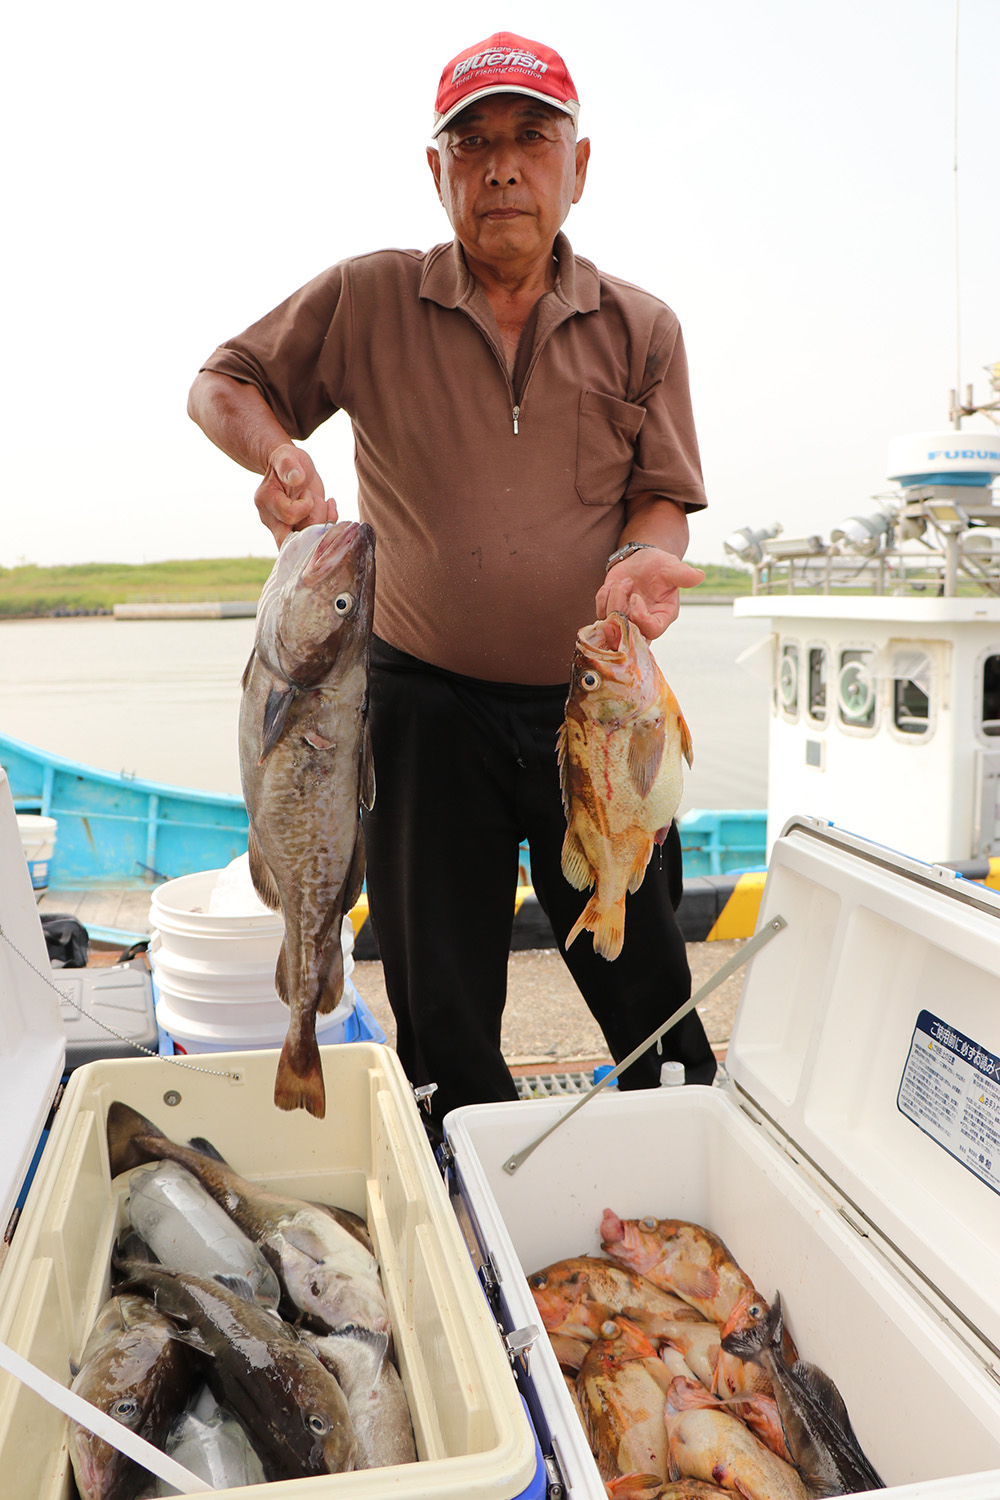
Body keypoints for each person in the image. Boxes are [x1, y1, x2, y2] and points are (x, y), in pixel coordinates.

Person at [188, 32, 717, 1138]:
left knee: (651, 995)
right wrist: (278, 456)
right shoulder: (370, 298)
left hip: (595, 708)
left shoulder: (642, 328)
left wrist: (640, 559)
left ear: (580, 165)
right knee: (442, 1013)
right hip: (422, 713)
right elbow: (223, 383)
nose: (502, 167)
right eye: (471, 145)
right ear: (436, 174)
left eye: (532, 138)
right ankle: (465, 1198)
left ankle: (679, 1149)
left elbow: (659, 497)